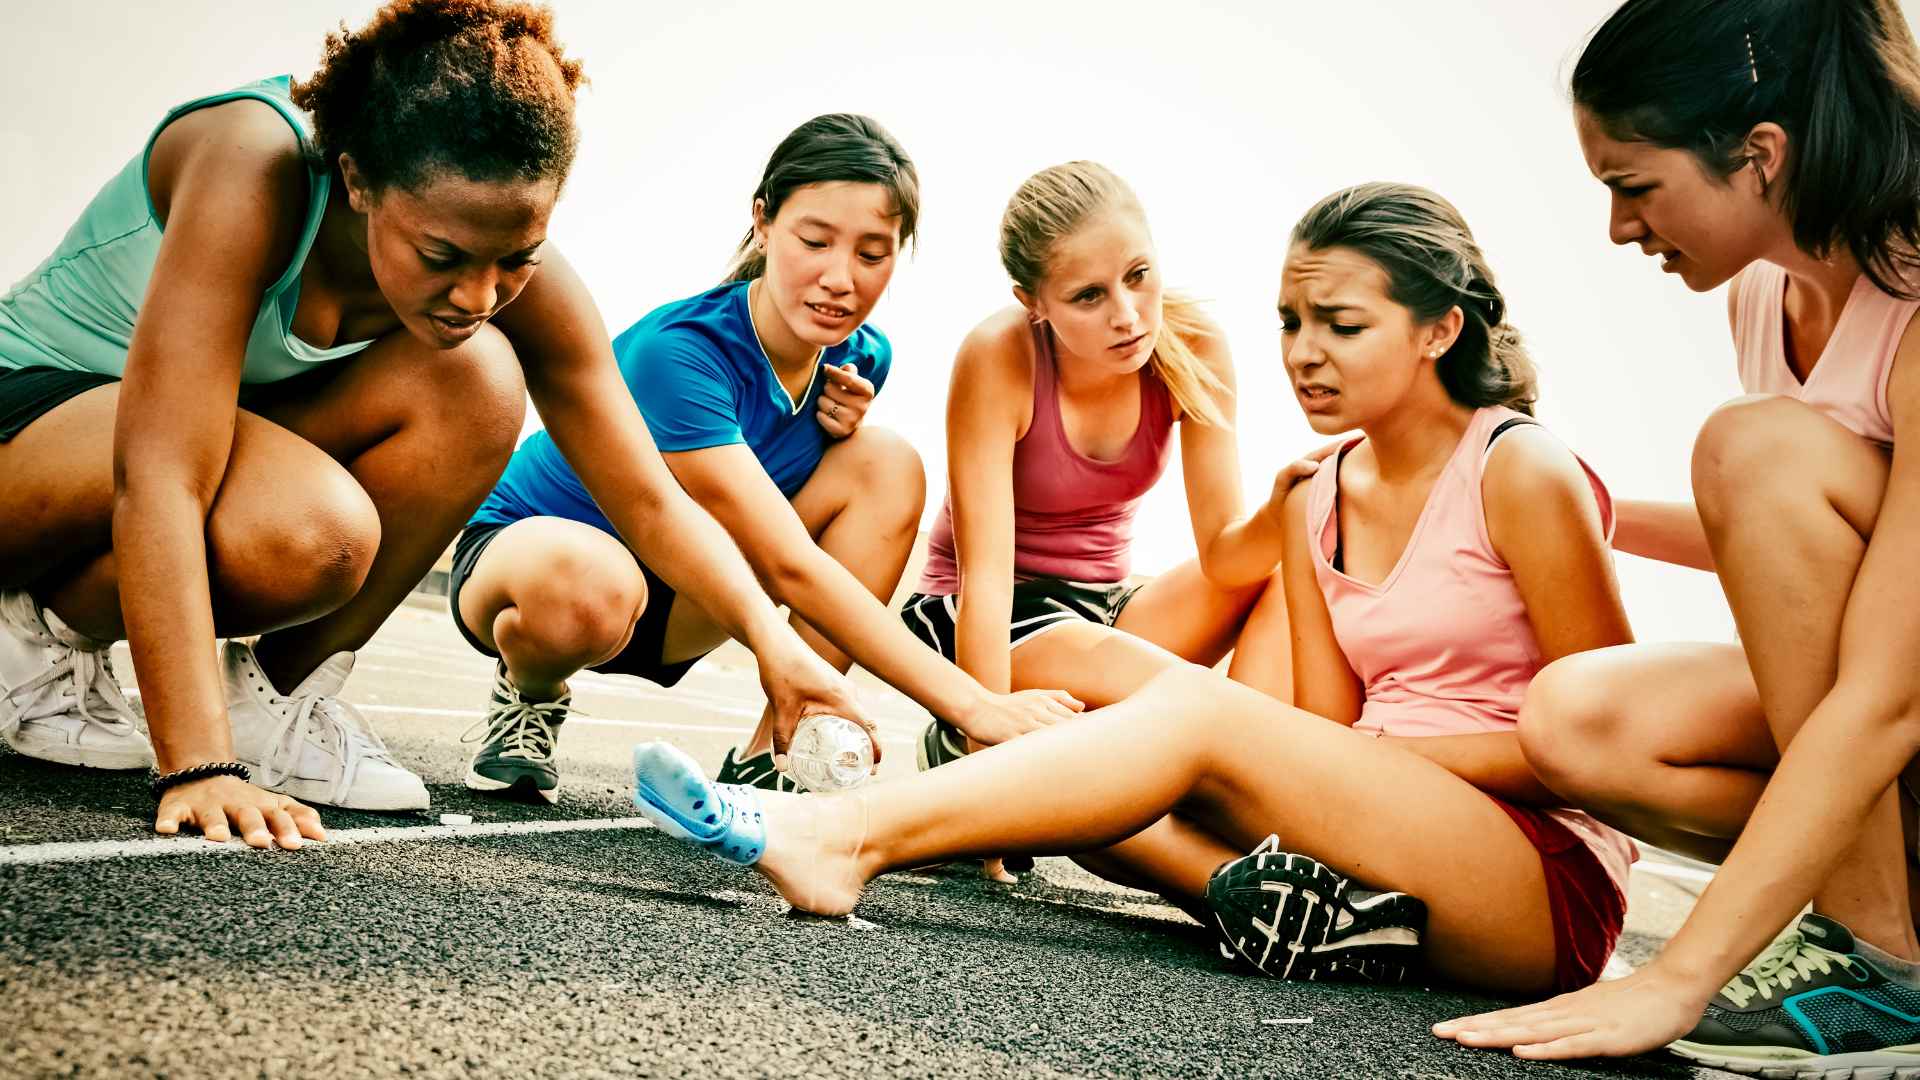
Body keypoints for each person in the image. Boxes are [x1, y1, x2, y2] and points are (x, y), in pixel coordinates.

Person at [634, 182, 1640, 997]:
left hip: (1537, 881)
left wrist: (1355, 756)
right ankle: (1286, 914)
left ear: (1438, 330)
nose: (1302, 353)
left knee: (1179, 727)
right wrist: (1304, 757)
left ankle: (841, 838)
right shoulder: (1324, 490)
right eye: (1290, 321)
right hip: (1401, 840)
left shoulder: (1522, 470)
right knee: (1106, 783)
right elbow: (1328, 727)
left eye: (1340, 324)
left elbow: (1608, 760)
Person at [0, 0, 868, 848]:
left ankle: (272, 702)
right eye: (442, 257)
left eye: (516, 258)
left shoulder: (489, 263)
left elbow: (649, 497)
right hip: (28, 423)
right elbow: (162, 473)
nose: (478, 294)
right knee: (305, 530)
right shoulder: (247, 162)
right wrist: (196, 765)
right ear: (357, 182)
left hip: (169, 451)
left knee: (481, 376)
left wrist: (773, 648)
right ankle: (31, 643)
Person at [1433, 0, 1920, 1071]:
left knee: (1750, 448)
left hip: (1904, 706)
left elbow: (1890, 694)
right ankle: (1884, 917)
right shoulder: (1763, 292)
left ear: (1759, 156)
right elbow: (1824, 542)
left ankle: (1882, 965)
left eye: (1633, 186)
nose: (1617, 227)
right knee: (1577, 719)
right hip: (1898, 702)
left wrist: (1677, 974)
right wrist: (1566, 499)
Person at [450, 115, 1081, 803]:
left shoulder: (861, 358)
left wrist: (828, 436)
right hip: (537, 570)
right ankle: (532, 690)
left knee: (887, 463)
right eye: (815, 240)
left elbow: (797, 531)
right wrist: (973, 707)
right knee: (590, 585)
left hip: (689, 592)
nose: (840, 279)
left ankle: (775, 753)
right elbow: (788, 562)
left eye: (873, 254)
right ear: (763, 221)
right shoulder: (680, 354)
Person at [902, 163, 1292, 881]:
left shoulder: (1195, 345)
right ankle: (961, 748)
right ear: (1035, 302)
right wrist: (985, 781)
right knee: (1178, 702)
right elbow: (985, 578)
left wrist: (1289, 510)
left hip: (1106, 610)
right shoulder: (999, 356)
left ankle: (1250, 820)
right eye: (1089, 295)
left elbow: (1228, 556)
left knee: (1283, 580)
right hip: (984, 612)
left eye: (1139, 275)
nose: (1129, 314)